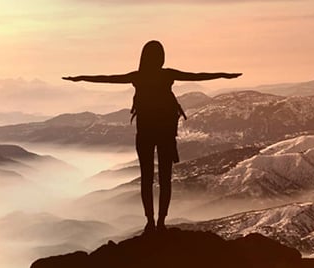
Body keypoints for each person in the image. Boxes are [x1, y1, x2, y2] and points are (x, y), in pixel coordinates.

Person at [63, 40, 241, 232]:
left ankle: (150, 221)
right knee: (165, 179)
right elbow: (197, 75)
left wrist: (80, 78)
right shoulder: (167, 75)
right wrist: (223, 75)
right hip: (165, 133)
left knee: (146, 178)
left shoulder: (138, 76)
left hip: (145, 133)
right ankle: (161, 222)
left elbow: (107, 78)